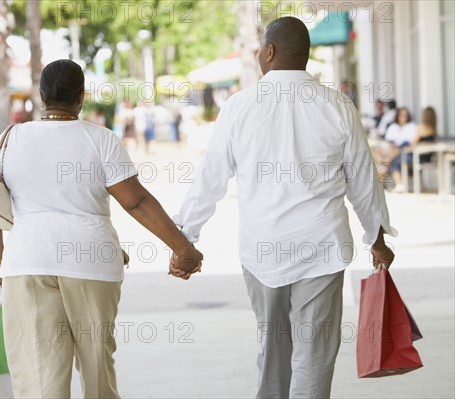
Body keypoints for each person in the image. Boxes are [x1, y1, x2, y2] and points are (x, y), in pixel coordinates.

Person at [170, 17, 396, 398]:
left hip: (262, 249)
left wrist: (184, 241)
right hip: (322, 248)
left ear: (269, 52)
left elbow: (209, 179)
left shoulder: (239, 106)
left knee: (272, 349)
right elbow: (363, 180)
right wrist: (376, 238)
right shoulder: (337, 105)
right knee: (315, 358)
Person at [0, 59, 202, 399]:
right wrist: (183, 249)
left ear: (41, 96)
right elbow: (136, 202)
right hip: (91, 263)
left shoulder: (10, 139)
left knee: (40, 382)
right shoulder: (101, 140)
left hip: (28, 264)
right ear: (81, 97)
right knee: (98, 376)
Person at [382, 107, 418, 192]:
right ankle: (384, 185)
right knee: (381, 156)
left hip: (406, 153)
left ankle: (398, 184)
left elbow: (410, 143)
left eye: (405, 115)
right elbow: (389, 141)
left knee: (392, 160)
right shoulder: (393, 127)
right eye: (400, 115)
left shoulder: (412, 126)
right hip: (391, 151)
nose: (402, 117)